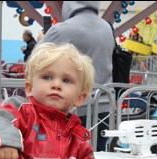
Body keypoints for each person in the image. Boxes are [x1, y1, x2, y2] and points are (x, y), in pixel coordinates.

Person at [38, 1, 114, 151]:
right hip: (104, 105)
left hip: (72, 107)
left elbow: (35, 62)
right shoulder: (106, 28)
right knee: (97, 158)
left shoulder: (61, 30)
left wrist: (42, 39)